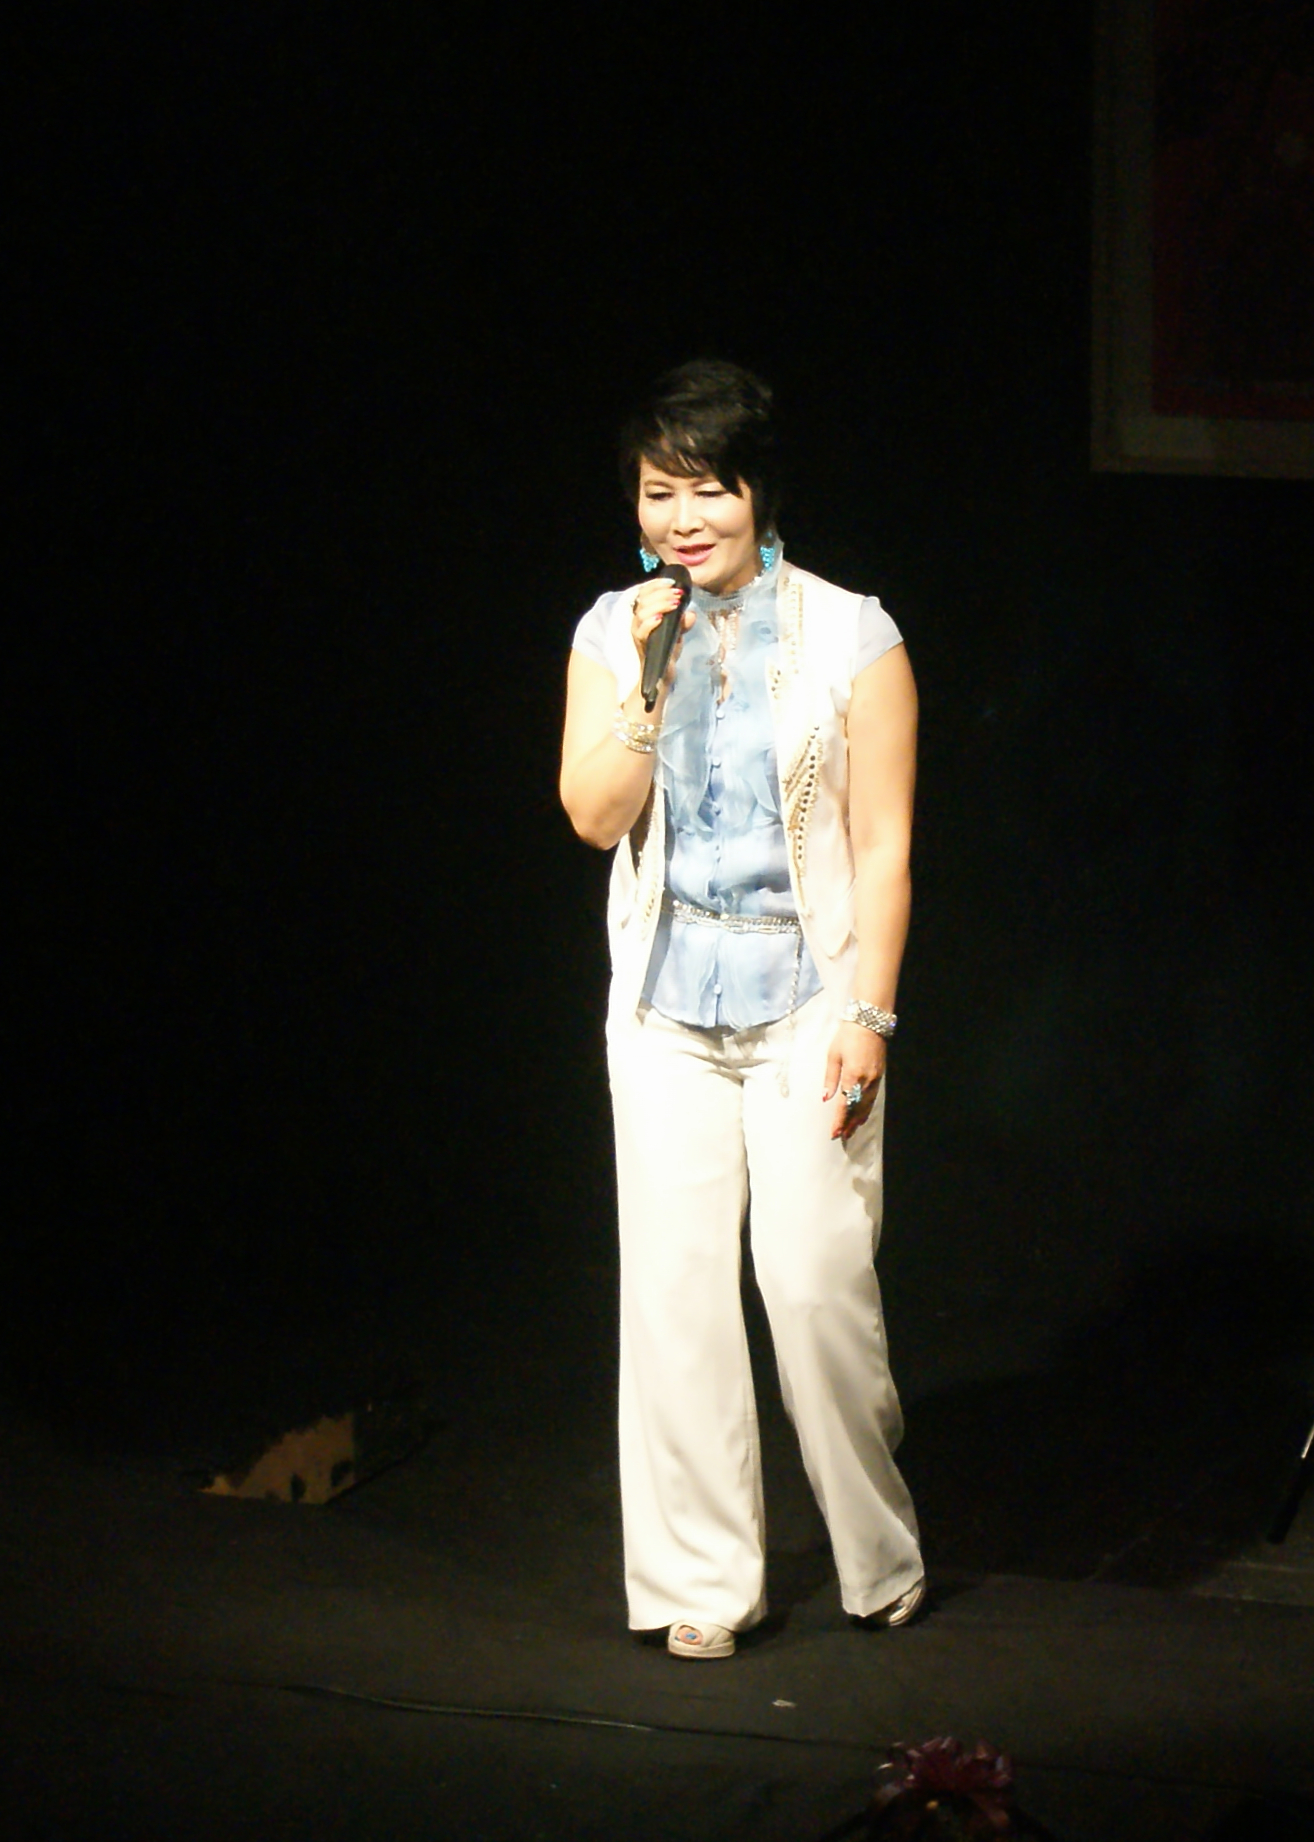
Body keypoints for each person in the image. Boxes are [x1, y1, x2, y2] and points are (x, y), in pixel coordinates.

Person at [557, 359, 926, 1659]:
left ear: (759, 491)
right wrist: (645, 685)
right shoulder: (614, 632)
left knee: (812, 1279)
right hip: (665, 1010)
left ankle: (879, 1547)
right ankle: (703, 1583)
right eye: (659, 492)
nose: (683, 518)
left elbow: (883, 848)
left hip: (807, 998)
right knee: (676, 1300)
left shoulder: (853, 634)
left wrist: (869, 1016)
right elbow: (592, 814)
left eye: (707, 488)